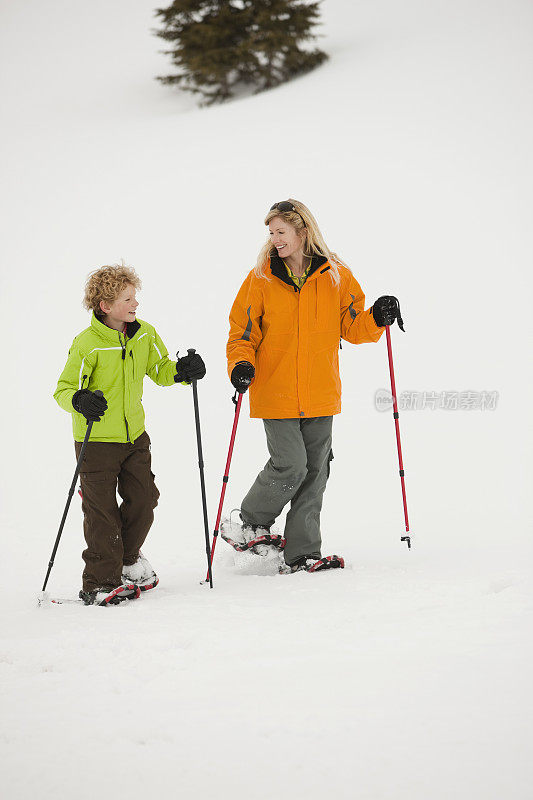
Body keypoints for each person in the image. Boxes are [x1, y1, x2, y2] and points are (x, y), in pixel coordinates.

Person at [226, 199, 402, 573]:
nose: (274, 240)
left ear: (302, 231)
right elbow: (242, 333)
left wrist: (377, 316)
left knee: (316, 471)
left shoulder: (335, 275)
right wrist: (241, 363)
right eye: (271, 233)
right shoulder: (261, 278)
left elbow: (353, 327)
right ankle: (249, 523)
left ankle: (302, 551)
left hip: (321, 392)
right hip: (275, 390)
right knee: (291, 465)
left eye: (281, 232)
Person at [54, 263, 206, 605]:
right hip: (95, 442)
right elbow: (63, 389)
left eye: (135, 296)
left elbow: (161, 370)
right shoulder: (88, 344)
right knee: (101, 513)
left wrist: (182, 371)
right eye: (127, 298)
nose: (135, 303)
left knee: (144, 499)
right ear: (105, 306)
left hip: (134, 436)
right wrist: (80, 400)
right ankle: (99, 582)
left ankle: (126, 559)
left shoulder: (144, 334)